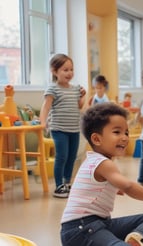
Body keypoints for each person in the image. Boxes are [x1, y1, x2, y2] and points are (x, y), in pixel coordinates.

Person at [60, 102, 143, 246]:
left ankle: (135, 240)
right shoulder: (104, 163)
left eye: (126, 133)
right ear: (97, 139)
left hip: (98, 225)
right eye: (117, 132)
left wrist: (113, 189)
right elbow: (128, 186)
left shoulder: (93, 160)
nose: (124, 138)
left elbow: (92, 189)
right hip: (81, 229)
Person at [39, 53, 86, 198]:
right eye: (65, 70)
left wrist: (83, 96)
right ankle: (59, 185)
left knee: (72, 157)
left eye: (71, 70)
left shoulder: (76, 88)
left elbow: (79, 106)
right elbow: (46, 107)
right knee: (62, 156)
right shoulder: (52, 89)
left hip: (74, 129)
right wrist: (43, 121)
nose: (69, 73)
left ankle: (67, 183)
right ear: (54, 71)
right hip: (59, 129)